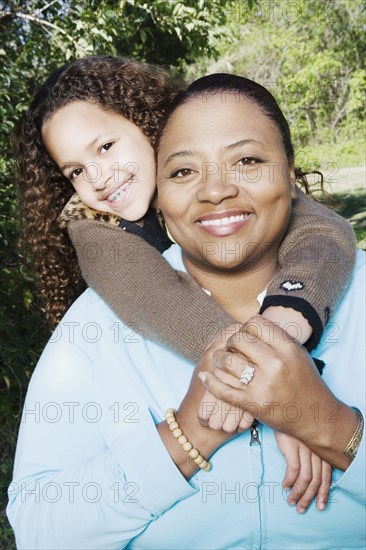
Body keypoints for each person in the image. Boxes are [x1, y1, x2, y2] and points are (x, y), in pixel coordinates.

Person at [7, 71, 364, 548]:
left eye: (248, 161)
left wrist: (325, 424)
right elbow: (38, 530)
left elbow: (322, 227)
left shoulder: (341, 267)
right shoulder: (95, 311)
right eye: (183, 170)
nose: (98, 175)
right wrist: (192, 430)